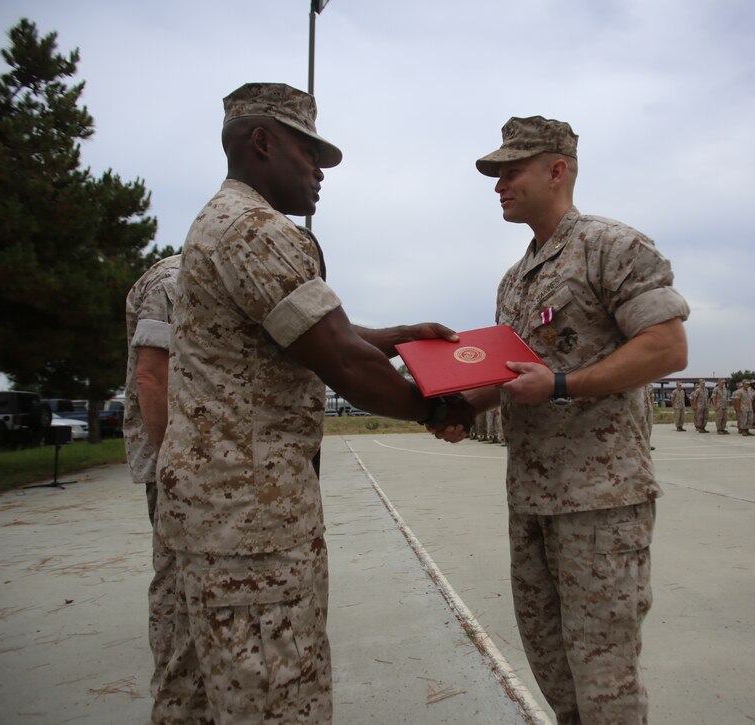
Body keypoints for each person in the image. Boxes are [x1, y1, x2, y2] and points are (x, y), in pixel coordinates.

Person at [153, 83, 475, 724]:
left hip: (206, 513)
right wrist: (440, 409)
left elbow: (304, 340)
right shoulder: (257, 231)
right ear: (263, 143)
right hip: (252, 526)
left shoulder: (215, 224)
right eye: (311, 154)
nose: (321, 173)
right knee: (275, 698)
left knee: (192, 698)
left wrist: (395, 338)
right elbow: (344, 362)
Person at [437, 115, 689, 724]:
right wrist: (466, 405)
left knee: (603, 672)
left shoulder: (612, 247)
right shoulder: (514, 281)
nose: (498, 184)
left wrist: (560, 385)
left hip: (600, 501)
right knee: (551, 662)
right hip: (532, 498)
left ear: (558, 170)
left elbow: (666, 346)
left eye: (510, 170)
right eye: (495, 173)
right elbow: (513, 375)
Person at [122, 253, 181, 698]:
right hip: (180, 467)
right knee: (177, 582)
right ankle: (176, 696)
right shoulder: (173, 279)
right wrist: (173, 465)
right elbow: (150, 375)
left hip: (200, 463)